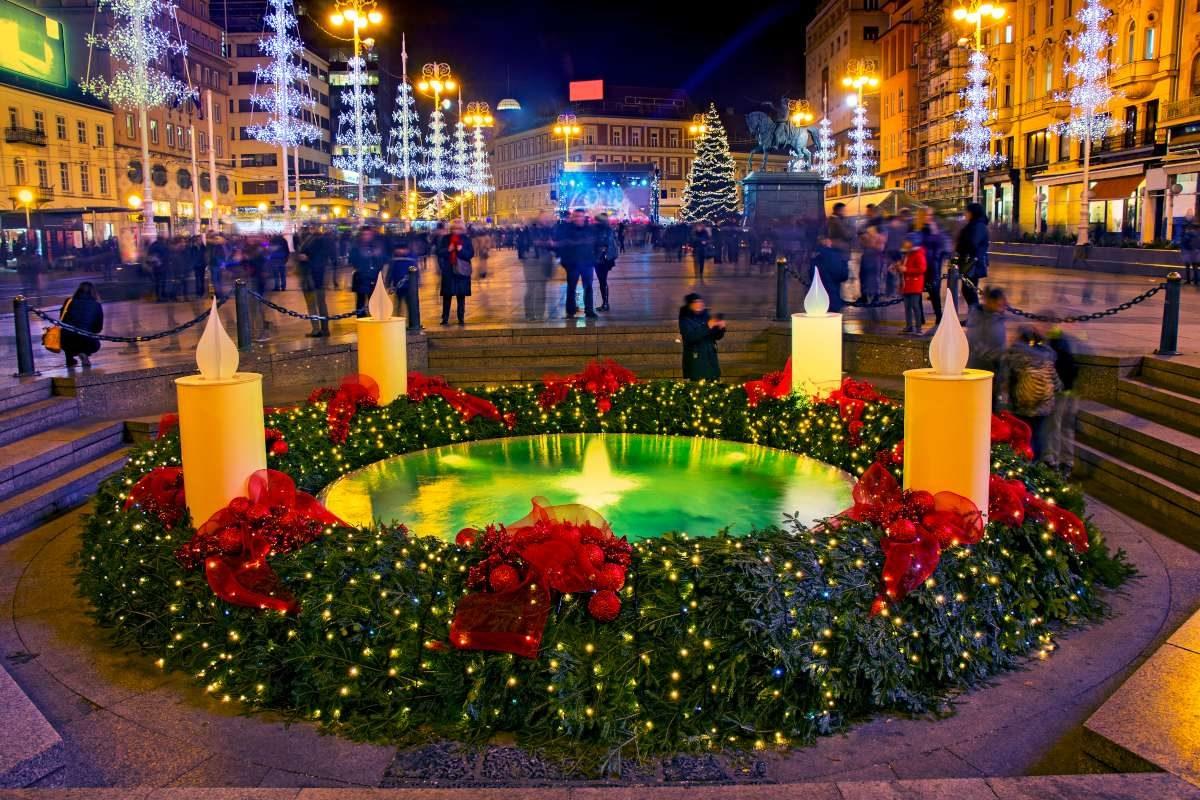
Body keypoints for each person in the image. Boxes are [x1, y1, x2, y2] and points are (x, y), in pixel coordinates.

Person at [1007, 326, 1062, 461]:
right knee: (1037, 436)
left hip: (1023, 406)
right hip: (1043, 406)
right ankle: (1035, 464)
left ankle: (1023, 466)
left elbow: (1009, 381)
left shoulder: (1016, 357)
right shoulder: (1047, 357)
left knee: (1023, 436)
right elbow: (1057, 385)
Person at [966, 286, 1009, 409]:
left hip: (993, 371)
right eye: (1000, 302)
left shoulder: (997, 318)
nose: (1004, 304)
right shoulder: (979, 320)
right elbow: (975, 344)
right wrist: (1001, 355)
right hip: (981, 371)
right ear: (990, 302)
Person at [1044, 325, 1079, 472]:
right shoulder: (1063, 341)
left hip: (1060, 392)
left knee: (1055, 426)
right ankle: (1067, 462)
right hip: (1069, 391)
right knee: (1065, 428)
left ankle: (1054, 461)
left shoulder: (1052, 344)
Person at [555, 210, 598, 318]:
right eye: (576, 216)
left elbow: (595, 244)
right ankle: (570, 311)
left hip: (587, 263)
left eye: (580, 216)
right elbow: (562, 245)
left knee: (588, 287)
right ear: (573, 217)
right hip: (572, 264)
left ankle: (589, 310)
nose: (578, 218)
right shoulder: (567, 230)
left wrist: (594, 259)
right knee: (571, 288)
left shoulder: (589, 229)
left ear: (584, 217)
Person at [678, 292, 725, 380]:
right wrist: (707, 326)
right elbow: (690, 337)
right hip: (696, 361)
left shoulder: (707, 317)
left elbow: (716, 336)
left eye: (700, 301)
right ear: (689, 305)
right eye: (695, 302)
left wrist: (720, 328)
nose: (699, 304)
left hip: (710, 358)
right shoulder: (685, 320)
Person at [297, 225, 334, 337]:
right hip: (317, 278)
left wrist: (306, 258)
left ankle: (317, 329)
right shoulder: (322, 240)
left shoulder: (314, 240)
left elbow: (317, 258)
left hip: (312, 277)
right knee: (320, 304)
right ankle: (323, 328)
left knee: (313, 304)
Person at [436, 219, 474, 325]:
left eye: (459, 228)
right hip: (449, 270)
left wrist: (461, 250)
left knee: (461, 295)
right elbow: (439, 252)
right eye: (454, 228)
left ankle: (461, 317)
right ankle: (445, 317)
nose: (456, 230)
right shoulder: (445, 238)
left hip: (461, 271)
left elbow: (470, 254)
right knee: (447, 295)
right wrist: (448, 250)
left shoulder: (466, 239)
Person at [60, 281, 103, 368]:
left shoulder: (68, 301)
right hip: (87, 342)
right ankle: (84, 353)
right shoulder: (96, 305)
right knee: (87, 336)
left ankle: (69, 358)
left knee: (66, 333)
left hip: (67, 340)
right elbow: (98, 328)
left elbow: (62, 320)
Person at [955, 202, 990, 307]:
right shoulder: (975, 225)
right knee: (968, 290)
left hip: (973, 263)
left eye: (967, 212)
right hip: (970, 262)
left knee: (969, 290)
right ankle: (973, 316)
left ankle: (975, 317)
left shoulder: (978, 226)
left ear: (973, 213)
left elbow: (972, 243)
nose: (965, 214)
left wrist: (961, 247)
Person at [350, 227, 386, 316]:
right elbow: (352, 260)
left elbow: (384, 259)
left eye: (368, 234)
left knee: (374, 300)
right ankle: (361, 319)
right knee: (360, 301)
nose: (367, 236)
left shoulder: (377, 245)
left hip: (374, 276)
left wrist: (378, 257)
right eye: (365, 234)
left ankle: (374, 317)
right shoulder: (356, 246)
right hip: (361, 277)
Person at [898, 236, 928, 335]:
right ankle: (909, 326)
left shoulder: (918, 254)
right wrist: (897, 267)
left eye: (907, 241)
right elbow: (904, 267)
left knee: (915, 306)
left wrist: (906, 270)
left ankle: (918, 327)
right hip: (907, 284)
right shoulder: (907, 254)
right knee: (907, 307)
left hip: (914, 284)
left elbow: (922, 269)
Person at [594, 213, 619, 312]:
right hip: (598, 258)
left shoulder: (607, 230)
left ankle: (605, 303)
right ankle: (605, 303)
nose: (595, 222)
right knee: (601, 281)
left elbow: (606, 244)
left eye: (596, 220)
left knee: (602, 280)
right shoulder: (599, 229)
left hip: (603, 259)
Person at [1182, 218, 1200, 285]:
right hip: (1196, 252)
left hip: (1189, 252)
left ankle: (1188, 280)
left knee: (1188, 267)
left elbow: (1184, 242)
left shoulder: (1189, 233)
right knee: (1195, 267)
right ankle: (1196, 281)